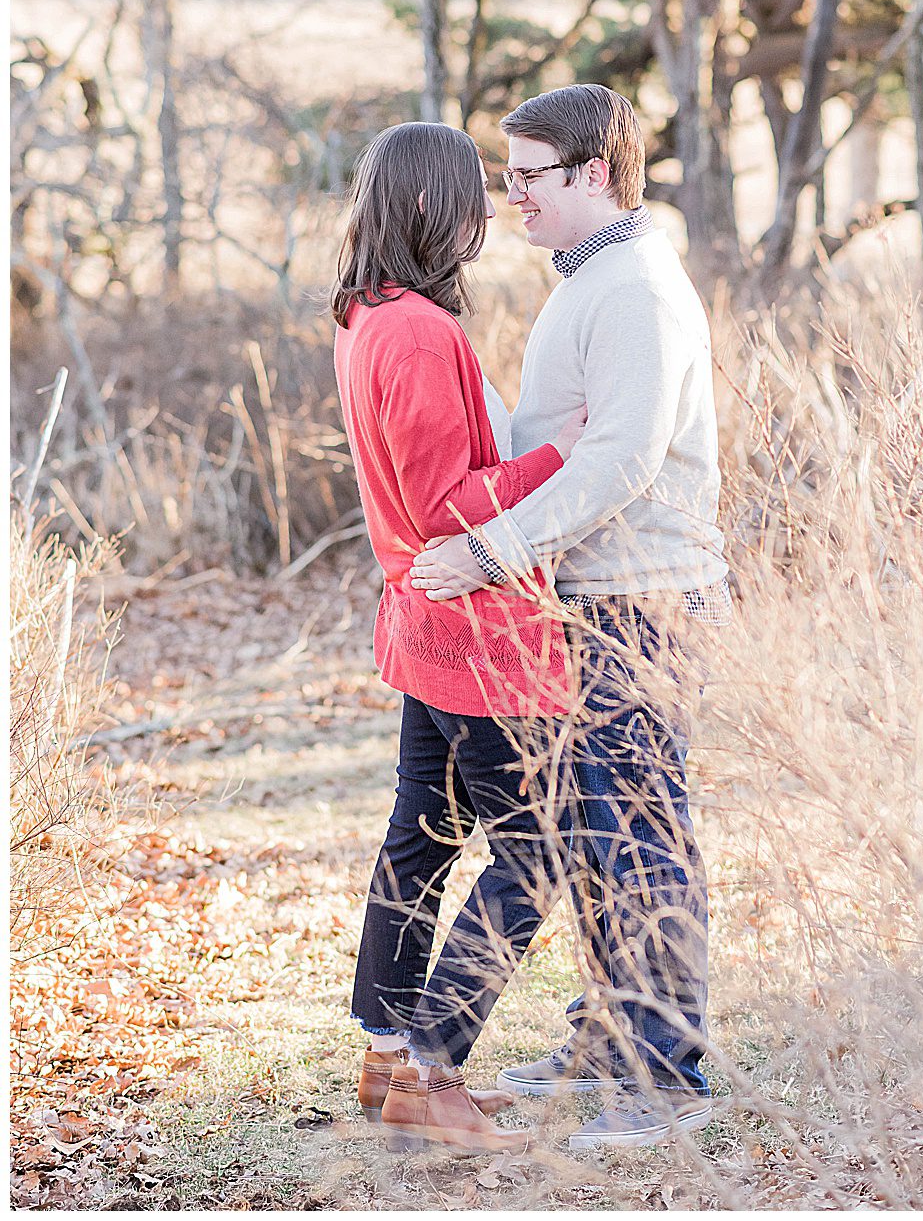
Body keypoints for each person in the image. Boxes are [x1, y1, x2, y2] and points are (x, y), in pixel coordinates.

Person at [407, 82, 731, 1150]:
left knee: (639, 838)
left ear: (595, 172)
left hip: (641, 602)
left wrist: (492, 549)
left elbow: (625, 458)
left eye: (529, 178)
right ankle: (609, 1034)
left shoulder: (633, 287)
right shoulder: (589, 281)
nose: (510, 200)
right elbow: (561, 432)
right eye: (507, 178)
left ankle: (662, 1079)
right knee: (595, 834)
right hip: (590, 600)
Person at [333, 121, 585, 1154]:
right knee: (535, 851)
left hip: (423, 625)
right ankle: (432, 1066)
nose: (491, 210)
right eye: (477, 193)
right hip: (475, 634)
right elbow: (448, 503)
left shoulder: (364, 315)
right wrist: (562, 455)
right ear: (434, 208)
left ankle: (388, 1054)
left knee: (422, 837)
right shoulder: (420, 331)